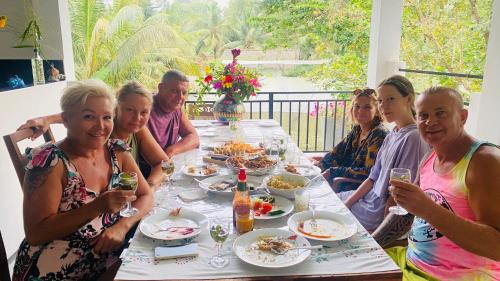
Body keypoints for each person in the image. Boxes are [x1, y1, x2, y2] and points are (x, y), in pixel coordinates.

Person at [12, 80, 154, 280]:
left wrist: (122, 226)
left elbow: (146, 195)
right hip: (54, 268)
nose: (101, 126)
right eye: (89, 117)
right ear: (66, 119)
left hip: (107, 258)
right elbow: (36, 233)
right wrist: (97, 206)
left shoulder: (117, 150)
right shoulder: (50, 161)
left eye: (107, 117)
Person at [376, 87, 500, 280]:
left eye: (441, 113)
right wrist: (370, 243)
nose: (430, 122)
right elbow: (408, 213)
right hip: (410, 262)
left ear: (463, 117)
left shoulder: (485, 163)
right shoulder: (430, 156)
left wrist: (427, 209)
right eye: (423, 115)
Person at [18, 81, 170, 188]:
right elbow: (78, 114)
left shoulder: (136, 131)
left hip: (125, 208)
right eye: (130, 110)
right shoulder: (100, 136)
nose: (137, 118)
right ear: (116, 109)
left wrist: (151, 185)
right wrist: (48, 119)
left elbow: (166, 164)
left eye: (144, 112)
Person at [337, 75, 430, 231]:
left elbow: (399, 194)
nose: (384, 106)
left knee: (327, 216)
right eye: (380, 101)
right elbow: (373, 177)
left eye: (391, 99)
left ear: (408, 99)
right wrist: (348, 203)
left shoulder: (413, 138)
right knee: (327, 202)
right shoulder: (393, 134)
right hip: (367, 200)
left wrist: (381, 236)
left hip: (376, 212)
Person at [314, 88, 388, 192]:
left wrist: (333, 171)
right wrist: (314, 168)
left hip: (358, 190)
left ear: (376, 111)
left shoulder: (379, 135)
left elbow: (368, 172)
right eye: (357, 106)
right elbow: (336, 153)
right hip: (342, 182)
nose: (360, 111)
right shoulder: (357, 130)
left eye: (367, 107)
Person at [147, 69, 200, 157]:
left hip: (165, 162)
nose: (180, 97)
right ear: (161, 88)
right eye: (174, 91)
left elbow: (194, 137)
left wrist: (171, 151)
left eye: (184, 93)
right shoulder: (145, 109)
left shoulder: (175, 109)